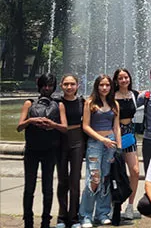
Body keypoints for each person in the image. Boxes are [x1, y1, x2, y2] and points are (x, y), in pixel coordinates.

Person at [19, 73, 67, 228]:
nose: (47, 88)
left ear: (54, 87)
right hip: (32, 150)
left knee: (48, 187)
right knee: (29, 187)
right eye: (44, 85)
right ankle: (28, 220)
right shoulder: (29, 103)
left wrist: (52, 124)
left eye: (50, 85)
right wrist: (31, 120)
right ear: (39, 85)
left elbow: (65, 128)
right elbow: (19, 127)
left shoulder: (58, 104)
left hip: (50, 151)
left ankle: (46, 220)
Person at [80, 75, 122, 228]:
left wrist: (119, 146)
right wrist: (101, 139)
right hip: (95, 143)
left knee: (106, 178)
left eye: (107, 85)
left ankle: (102, 213)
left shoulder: (114, 104)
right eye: (101, 85)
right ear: (97, 86)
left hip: (110, 143)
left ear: (111, 87)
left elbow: (116, 127)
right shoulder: (90, 103)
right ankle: (85, 215)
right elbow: (85, 126)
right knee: (94, 179)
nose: (104, 88)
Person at [55, 73, 85, 228]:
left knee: (74, 180)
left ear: (77, 86)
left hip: (77, 140)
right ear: (61, 85)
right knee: (62, 181)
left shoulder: (82, 101)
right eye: (66, 84)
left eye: (72, 84)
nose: (69, 87)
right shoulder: (56, 102)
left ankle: (74, 217)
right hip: (60, 141)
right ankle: (61, 216)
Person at [111, 68, 141, 221]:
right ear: (116, 80)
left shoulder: (135, 95)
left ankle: (130, 205)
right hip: (113, 134)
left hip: (129, 133)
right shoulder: (111, 96)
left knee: (135, 171)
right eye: (120, 78)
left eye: (126, 77)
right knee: (114, 171)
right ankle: (113, 205)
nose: (124, 80)